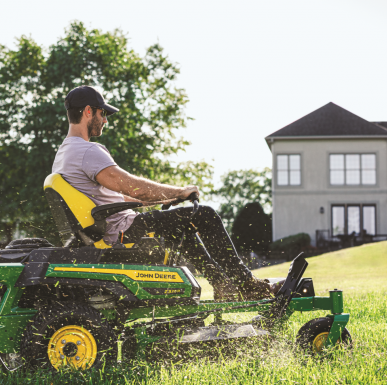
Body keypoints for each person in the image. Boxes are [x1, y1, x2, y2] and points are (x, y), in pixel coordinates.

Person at [52, 85, 280, 301]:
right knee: (205, 215)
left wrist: (166, 197)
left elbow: (110, 199)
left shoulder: (63, 154)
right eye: (103, 114)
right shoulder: (88, 151)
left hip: (108, 229)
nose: (105, 121)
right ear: (89, 112)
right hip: (121, 232)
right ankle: (246, 285)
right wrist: (180, 192)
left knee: (181, 225)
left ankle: (222, 284)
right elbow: (130, 185)